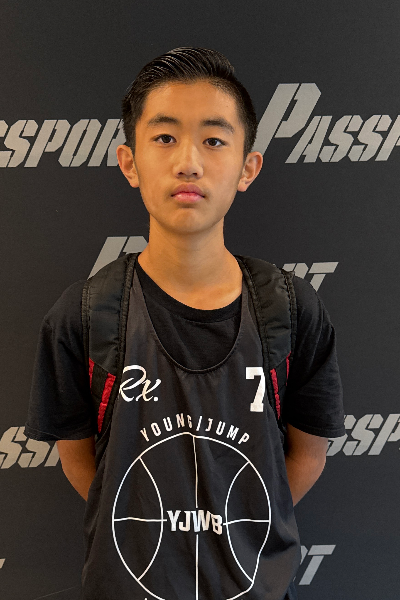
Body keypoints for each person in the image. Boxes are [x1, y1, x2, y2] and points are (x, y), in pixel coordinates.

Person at [25, 47, 345, 600]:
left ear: (248, 167)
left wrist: (238, 520)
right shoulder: (84, 314)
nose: (189, 162)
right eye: (165, 137)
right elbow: (80, 463)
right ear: (130, 162)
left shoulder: (293, 310)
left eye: (214, 140)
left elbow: (307, 456)